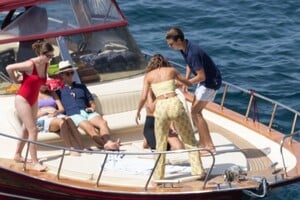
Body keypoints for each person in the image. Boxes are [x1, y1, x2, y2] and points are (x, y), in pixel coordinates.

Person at [136, 54, 206, 180]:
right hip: (174, 102)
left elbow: (143, 97)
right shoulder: (172, 70)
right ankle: (198, 171)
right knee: (189, 139)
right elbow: (188, 84)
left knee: (161, 143)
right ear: (164, 62)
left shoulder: (148, 76)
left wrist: (138, 111)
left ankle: (159, 176)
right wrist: (178, 82)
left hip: (161, 106)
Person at [165, 27, 222, 154]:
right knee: (195, 112)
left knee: (196, 112)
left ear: (179, 40)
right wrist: (186, 78)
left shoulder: (193, 52)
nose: (170, 47)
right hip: (205, 81)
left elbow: (202, 76)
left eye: (171, 44)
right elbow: (189, 64)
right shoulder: (185, 48)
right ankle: (203, 143)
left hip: (210, 82)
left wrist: (184, 83)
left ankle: (210, 147)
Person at [6, 40, 54, 171]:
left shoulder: (46, 65)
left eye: (51, 56)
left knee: (26, 129)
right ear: (41, 54)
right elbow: (9, 68)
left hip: (33, 99)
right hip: (22, 99)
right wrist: (15, 80)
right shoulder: (29, 64)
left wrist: (47, 85)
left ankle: (17, 155)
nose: (50, 58)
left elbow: (39, 82)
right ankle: (35, 161)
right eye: (48, 56)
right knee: (33, 130)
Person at [56, 60, 120, 151]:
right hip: (73, 114)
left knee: (103, 123)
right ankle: (107, 145)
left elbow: (92, 103)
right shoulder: (58, 91)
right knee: (89, 127)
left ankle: (108, 143)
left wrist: (92, 108)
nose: (71, 75)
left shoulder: (82, 87)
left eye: (72, 72)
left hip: (86, 111)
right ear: (61, 75)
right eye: (67, 73)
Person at [37, 81, 84, 156]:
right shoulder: (33, 96)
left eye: (46, 83)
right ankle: (70, 148)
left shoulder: (52, 93)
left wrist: (56, 112)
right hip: (42, 118)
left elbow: (61, 109)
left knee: (69, 119)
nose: (45, 85)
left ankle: (82, 146)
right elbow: (34, 115)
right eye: (42, 83)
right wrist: (46, 111)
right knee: (61, 122)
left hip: (55, 115)